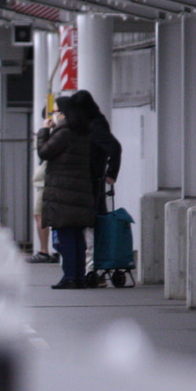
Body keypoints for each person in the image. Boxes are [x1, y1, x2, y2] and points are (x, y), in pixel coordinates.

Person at [36, 94, 95, 289]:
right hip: (78, 191)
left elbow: (44, 152)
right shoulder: (82, 131)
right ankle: (78, 276)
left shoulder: (65, 132)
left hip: (63, 192)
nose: (55, 115)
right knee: (77, 237)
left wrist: (44, 130)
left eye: (56, 112)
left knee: (66, 238)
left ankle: (70, 276)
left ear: (63, 113)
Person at [72, 90, 121, 285]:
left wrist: (111, 174)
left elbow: (114, 147)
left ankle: (93, 269)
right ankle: (93, 268)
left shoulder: (96, 126)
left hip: (93, 184)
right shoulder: (95, 122)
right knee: (92, 225)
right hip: (92, 183)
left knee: (91, 226)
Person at [26, 107, 59, 264]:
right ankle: (52, 250)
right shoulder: (61, 132)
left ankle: (45, 250)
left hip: (47, 182)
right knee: (43, 216)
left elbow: (43, 151)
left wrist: (44, 131)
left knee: (41, 215)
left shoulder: (59, 133)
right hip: (45, 181)